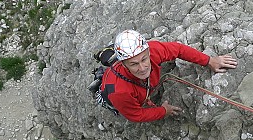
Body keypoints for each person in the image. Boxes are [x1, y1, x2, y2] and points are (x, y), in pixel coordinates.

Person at [99, 30, 237, 122]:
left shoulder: (153, 51)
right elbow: (136, 115)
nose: (142, 68)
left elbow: (179, 50)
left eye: (144, 60)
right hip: (120, 97)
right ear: (123, 64)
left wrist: (209, 61)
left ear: (148, 52)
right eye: (134, 64)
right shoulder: (120, 92)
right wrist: (163, 111)